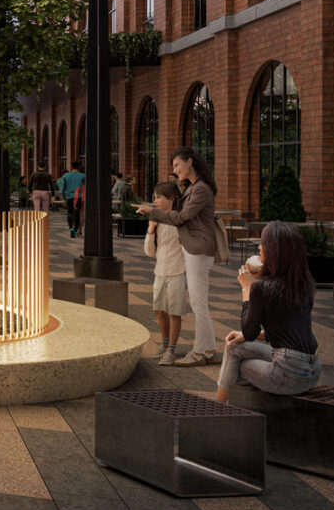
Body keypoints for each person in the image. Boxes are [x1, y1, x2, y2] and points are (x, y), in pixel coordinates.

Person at [215, 221, 320, 402]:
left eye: (263, 243)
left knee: (235, 356)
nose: (259, 247)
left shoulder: (262, 287)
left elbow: (249, 332)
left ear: (274, 249)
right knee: (236, 345)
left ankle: (218, 408)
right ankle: (236, 409)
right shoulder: (304, 281)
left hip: (287, 375)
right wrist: (257, 336)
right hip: (313, 371)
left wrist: (247, 290)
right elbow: (288, 329)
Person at [137, 147, 220, 366]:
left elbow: (182, 217)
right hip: (195, 250)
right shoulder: (194, 188)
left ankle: (200, 351)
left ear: (190, 162)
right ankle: (208, 348)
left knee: (198, 303)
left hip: (198, 250)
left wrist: (151, 211)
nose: (174, 171)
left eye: (177, 165)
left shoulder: (200, 189)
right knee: (198, 301)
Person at [144, 181, 190, 366]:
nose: (155, 201)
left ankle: (171, 349)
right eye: (154, 197)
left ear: (171, 199)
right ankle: (164, 344)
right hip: (160, 271)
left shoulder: (179, 220)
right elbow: (149, 251)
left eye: (158, 197)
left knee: (174, 312)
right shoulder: (157, 221)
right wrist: (151, 229)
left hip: (177, 272)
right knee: (159, 309)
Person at [58, 161, 86, 237]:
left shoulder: (66, 175)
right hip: (79, 197)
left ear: (71, 167)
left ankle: (71, 228)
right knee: (77, 213)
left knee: (69, 212)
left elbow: (63, 188)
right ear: (79, 167)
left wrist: (63, 193)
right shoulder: (82, 176)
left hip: (69, 197)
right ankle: (76, 229)